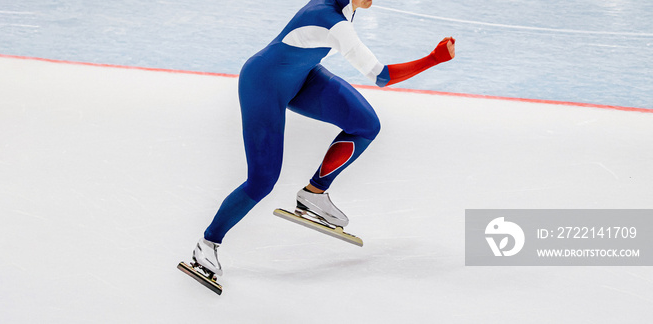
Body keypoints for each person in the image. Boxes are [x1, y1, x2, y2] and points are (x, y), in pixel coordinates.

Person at [191, 0, 455, 277]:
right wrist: (434, 59)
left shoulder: (345, 7)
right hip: (264, 83)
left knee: (366, 124)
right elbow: (380, 76)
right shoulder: (334, 23)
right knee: (262, 181)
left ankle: (314, 193)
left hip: (303, 76)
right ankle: (207, 243)